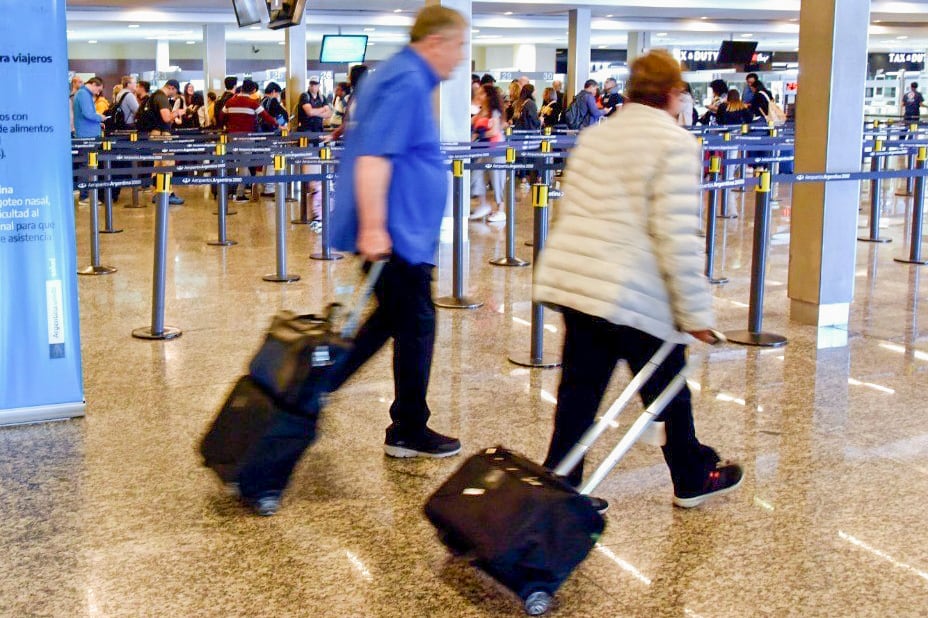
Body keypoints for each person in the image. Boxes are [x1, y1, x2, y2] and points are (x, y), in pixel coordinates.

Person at [533, 49, 743, 514]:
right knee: (668, 382)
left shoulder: (598, 136)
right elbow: (675, 235)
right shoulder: (674, 143)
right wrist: (695, 313)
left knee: (579, 395)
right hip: (634, 291)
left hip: (582, 286)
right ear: (672, 93)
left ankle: (559, 488)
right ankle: (691, 475)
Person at [327, 5, 468, 463]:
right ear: (436, 42)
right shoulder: (407, 81)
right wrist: (372, 227)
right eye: (459, 46)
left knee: (392, 320)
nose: (461, 58)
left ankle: (316, 389)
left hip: (401, 230)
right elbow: (374, 158)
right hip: (396, 232)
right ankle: (408, 427)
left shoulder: (397, 76)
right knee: (416, 323)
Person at [222, 79, 283, 201]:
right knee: (244, 165)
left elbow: (221, 116)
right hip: (246, 138)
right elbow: (266, 117)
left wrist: (228, 126)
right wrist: (278, 125)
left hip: (231, 137)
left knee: (239, 163)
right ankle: (240, 194)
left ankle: (240, 190)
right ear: (253, 90)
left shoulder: (230, 102)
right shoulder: (253, 103)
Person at [469, 83, 506, 222]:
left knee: (497, 179)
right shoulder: (480, 111)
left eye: (482, 93)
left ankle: (500, 209)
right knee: (476, 176)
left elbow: (494, 131)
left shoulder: (494, 112)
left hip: (495, 149)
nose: (479, 95)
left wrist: (479, 135)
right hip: (483, 150)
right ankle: (483, 204)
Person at [149, 79, 186, 205]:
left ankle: (157, 193)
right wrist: (178, 112)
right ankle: (168, 193)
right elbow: (166, 118)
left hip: (155, 133)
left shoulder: (154, 96)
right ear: (171, 87)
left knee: (158, 164)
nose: (174, 95)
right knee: (167, 164)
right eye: (174, 91)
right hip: (162, 134)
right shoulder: (162, 97)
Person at [73, 77, 105, 204]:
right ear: (93, 84)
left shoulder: (81, 94)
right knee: (87, 165)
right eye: (98, 89)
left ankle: (86, 194)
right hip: (87, 136)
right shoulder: (83, 94)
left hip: (87, 133)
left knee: (88, 165)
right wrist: (100, 117)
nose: (98, 93)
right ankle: (85, 196)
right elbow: (88, 113)